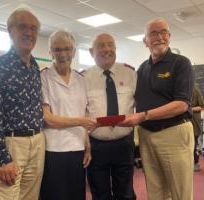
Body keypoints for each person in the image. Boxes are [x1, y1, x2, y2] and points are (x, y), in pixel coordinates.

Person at [120, 18, 194, 200]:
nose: (159, 37)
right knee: (156, 191)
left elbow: (182, 103)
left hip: (174, 133)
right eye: (153, 33)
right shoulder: (142, 69)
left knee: (180, 192)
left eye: (163, 32)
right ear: (145, 41)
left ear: (169, 36)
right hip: (146, 136)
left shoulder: (181, 63)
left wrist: (144, 116)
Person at [0, 8, 45, 200]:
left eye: (34, 28)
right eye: (23, 27)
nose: (29, 33)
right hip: (11, 144)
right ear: (10, 31)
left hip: (37, 142)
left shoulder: (35, 67)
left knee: (30, 197)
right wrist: (3, 158)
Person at [40, 30, 96, 200]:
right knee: (54, 195)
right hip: (53, 150)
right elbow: (48, 119)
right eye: (57, 49)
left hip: (77, 148)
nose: (62, 54)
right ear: (50, 52)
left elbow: (83, 112)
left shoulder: (81, 79)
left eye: (67, 49)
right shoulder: (43, 77)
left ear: (74, 51)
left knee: (76, 195)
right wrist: (81, 121)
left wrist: (87, 145)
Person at [84, 33, 137, 200]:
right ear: (92, 51)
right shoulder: (83, 77)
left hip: (124, 143)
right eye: (101, 45)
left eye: (111, 45)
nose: (106, 49)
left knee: (126, 193)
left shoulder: (130, 73)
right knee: (100, 193)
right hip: (96, 146)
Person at [191, 85, 204, 171]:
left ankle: (195, 163)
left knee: (194, 144)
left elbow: (202, 106)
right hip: (181, 123)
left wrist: (189, 109)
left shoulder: (195, 90)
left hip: (194, 123)